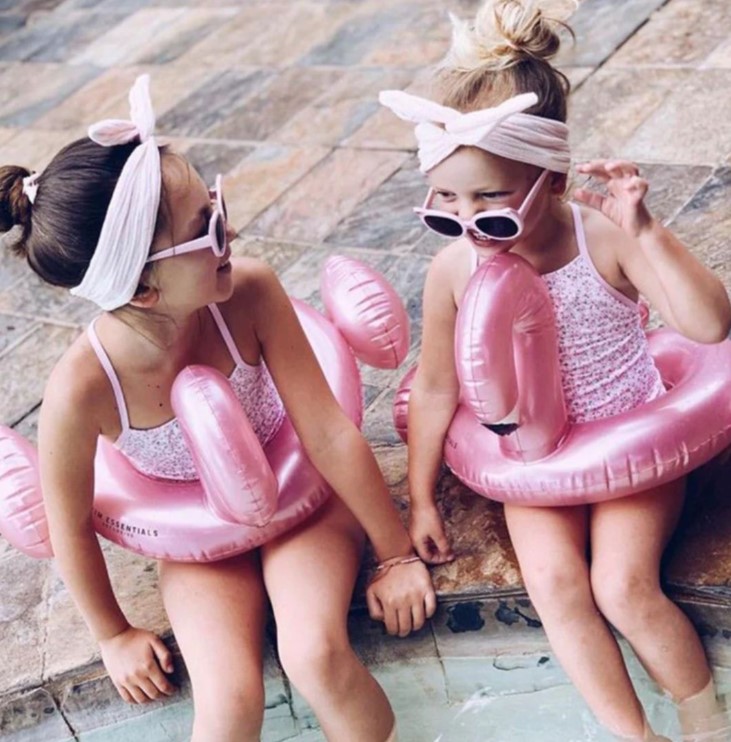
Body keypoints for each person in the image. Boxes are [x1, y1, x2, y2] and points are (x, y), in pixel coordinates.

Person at [0, 74, 436, 742]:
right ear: (143, 290)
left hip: (302, 507)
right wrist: (114, 634)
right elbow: (71, 526)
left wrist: (396, 553)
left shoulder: (250, 293)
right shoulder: (80, 390)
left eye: (216, 204)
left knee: (314, 656)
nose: (228, 227)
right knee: (228, 704)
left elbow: (326, 431)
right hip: (200, 545)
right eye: (206, 228)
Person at [380, 1, 731, 740]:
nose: (470, 223)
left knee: (622, 586)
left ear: (553, 177)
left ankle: (702, 719)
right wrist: (420, 501)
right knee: (553, 585)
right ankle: (632, 734)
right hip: (534, 459)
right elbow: (438, 386)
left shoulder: (600, 238)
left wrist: (648, 233)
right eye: (446, 204)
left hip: (627, 438)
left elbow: (707, 326)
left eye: (491, 200)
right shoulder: (453, 270)